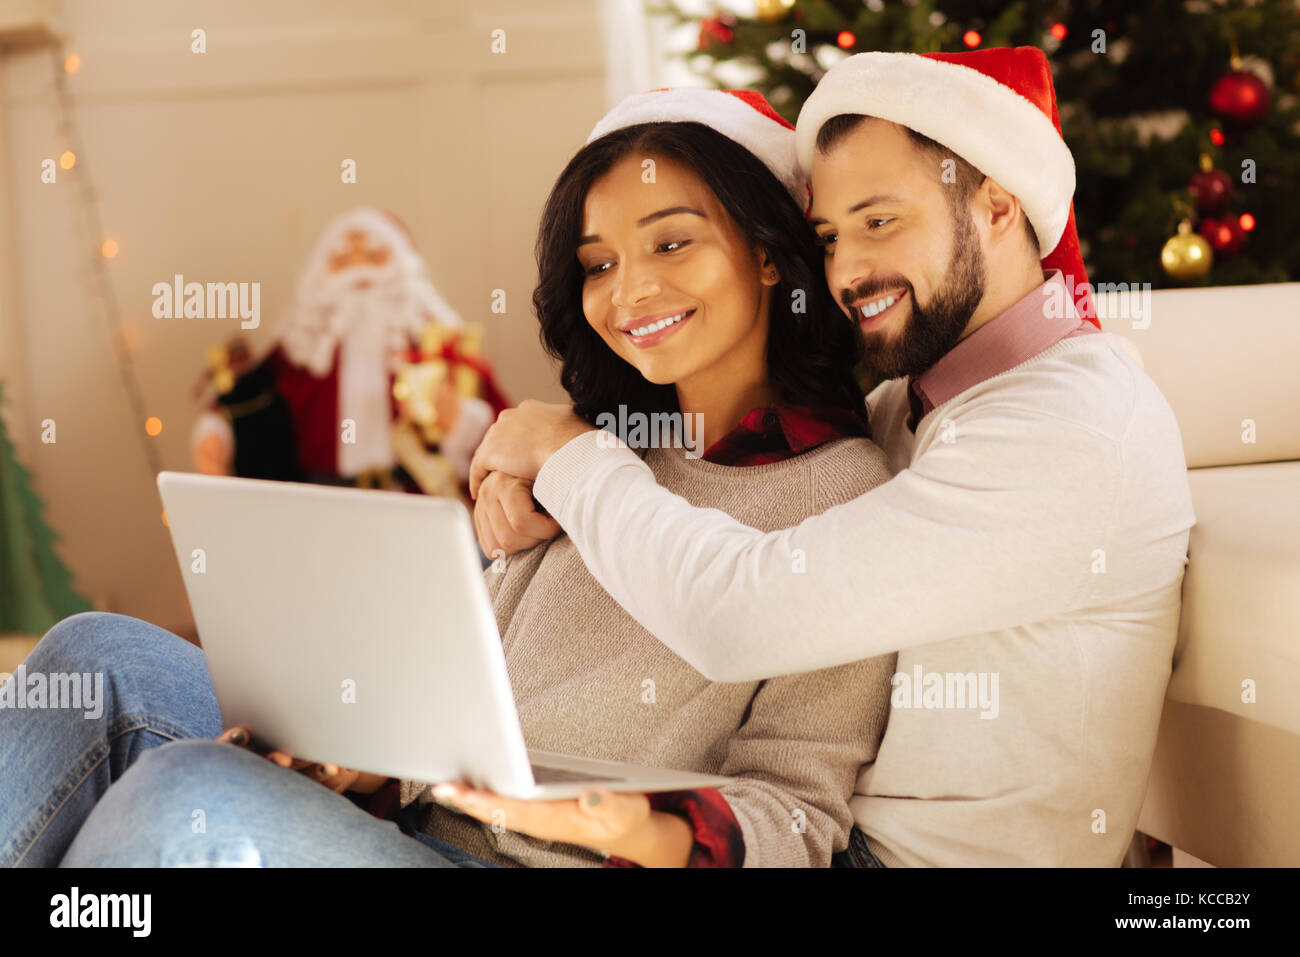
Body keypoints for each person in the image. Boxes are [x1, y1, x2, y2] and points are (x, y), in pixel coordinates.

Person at [0, 89, 896, 869]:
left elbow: (799, 815)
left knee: (184, 792)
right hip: (429, 821)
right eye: (599, 263)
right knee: (97, 654)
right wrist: (362, 765)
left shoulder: (843, 495)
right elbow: (468, 711)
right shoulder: (584, 452)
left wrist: (636, 825)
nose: (629, 294)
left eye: (671, 243)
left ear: (769, 253)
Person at [467, 48, 1197, 867]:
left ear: (997, 204)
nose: (847, 271)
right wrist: (534, 459)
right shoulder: (906, 407)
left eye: (880, 221)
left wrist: (570, 456)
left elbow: (741, 617)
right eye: (830, 236)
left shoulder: (1068, 426)